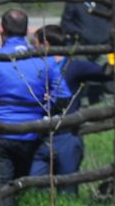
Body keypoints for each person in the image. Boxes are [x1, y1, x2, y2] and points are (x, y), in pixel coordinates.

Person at [0, 8, 72, 206]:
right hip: (33, 132)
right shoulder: (43, 60)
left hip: (0, 131)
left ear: (1, 29)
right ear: (27, 30)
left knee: (1, 185)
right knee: (22, 182)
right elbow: (63, 98)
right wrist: (43, 110)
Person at [32, 23, 110, 190]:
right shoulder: (33, 67)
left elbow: (104, 72)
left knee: (67, 188)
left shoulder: (73, 67)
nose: (33, 48)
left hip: (65, 135)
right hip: (39, 136)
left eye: (35, 44)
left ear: (45, 45)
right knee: (34, 188)